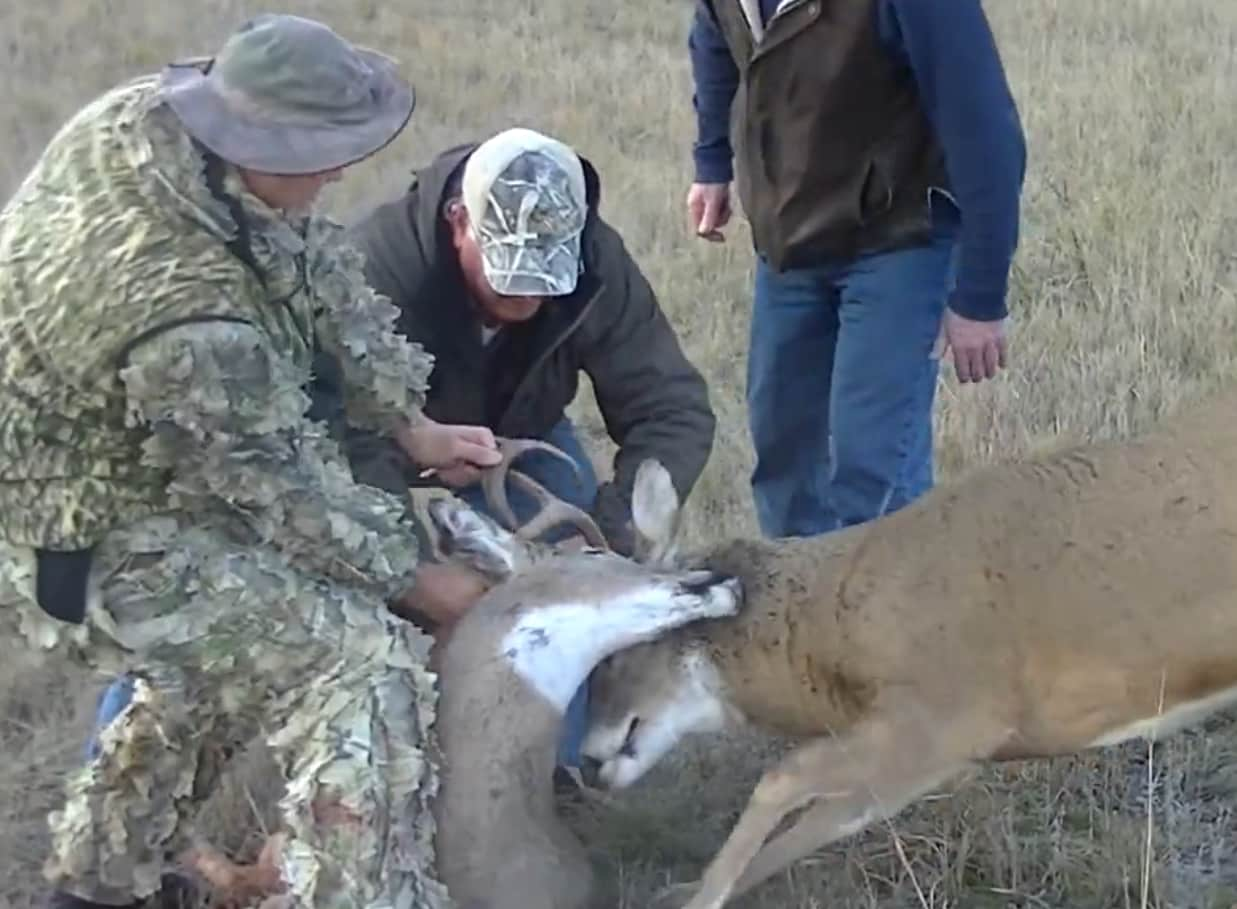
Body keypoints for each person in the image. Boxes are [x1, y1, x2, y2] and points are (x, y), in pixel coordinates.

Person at [0, 14, 491, 909]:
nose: (341, 169)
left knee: (214, 666)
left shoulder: (169, 130)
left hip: (138, 459)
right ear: (254, 137)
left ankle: (98, 890)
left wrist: (409, 423)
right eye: (323, 149)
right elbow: (282, 490)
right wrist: (414, 578)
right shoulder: (186, 313)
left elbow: (305, 261)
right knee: (360, 656)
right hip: (78, 530)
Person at [333, 127, 718, 773]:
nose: (527, 298)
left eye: (544, 281)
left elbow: (669, 406)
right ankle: (372, 770)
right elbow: (329, 442)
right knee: (357, 600)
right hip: (375, 445)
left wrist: (611, 537)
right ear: (458, 221)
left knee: (564, 609)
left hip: (522, 435)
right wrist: (411, 568)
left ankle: (543, 777)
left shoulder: (595, 263)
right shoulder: (375, 270)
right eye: (508, 276)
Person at [686, 0, 1027, 538]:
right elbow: (714, 30)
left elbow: (983, 126)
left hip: (898, 239)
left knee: (874, 468)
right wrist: (711, 162)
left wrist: (980, 297)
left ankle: (898, 614)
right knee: (784, 453)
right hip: (791, 240)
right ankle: (802, 612)